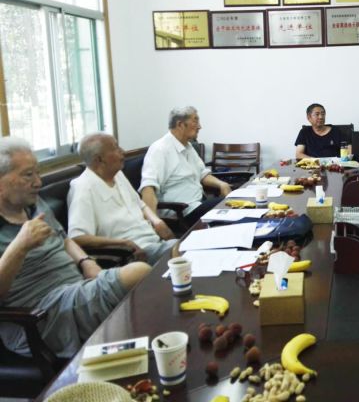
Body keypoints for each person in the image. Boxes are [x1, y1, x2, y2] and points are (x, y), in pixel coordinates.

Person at [0, 137, 151, 358]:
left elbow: (63, 238)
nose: (38, 182)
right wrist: (19, 247)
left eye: (37, 173)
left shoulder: (33, 204)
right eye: (28, 175)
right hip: (40, 315)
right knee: (137, 273)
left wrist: (85, 261)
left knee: (148, 285)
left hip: (75, 289)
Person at [67, 133, 176, 265]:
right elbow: (77, 237)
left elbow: (140, 204)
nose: (123, 151)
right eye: (116, 148)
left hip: (154, 241)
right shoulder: (83, 188)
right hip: (132, 254)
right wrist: (124, 243)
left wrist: (157, 221)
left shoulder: (118, 175)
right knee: (181, 249)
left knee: (186, 246)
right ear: (99, 159)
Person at [140, 107, 231, 227]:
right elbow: (148, 188)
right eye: (195, 121)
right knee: (230, 205)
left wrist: (221, 184)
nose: (199, 126)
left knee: (236, 203)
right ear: (180, 124)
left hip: (198, 204)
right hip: (182, 212)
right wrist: (154, 224)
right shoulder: (159, 149)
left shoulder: (188, 146)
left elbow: (203, 174)